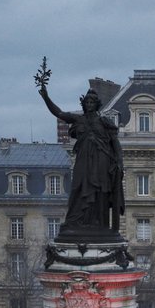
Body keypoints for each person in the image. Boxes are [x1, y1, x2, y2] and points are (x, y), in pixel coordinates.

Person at [37, 71, 124, 236]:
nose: (89, 104)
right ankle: (77, 221)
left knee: (100, 192)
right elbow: (60, 113)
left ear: (96, 104)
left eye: (92, 101)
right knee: (79, 187)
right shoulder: (79, 120)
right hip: (84, 160)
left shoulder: (104, 122)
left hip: (101, 160)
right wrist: (46, 98)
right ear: (84, 104)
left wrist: (120, 163)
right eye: (87, 101)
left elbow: (116, 144)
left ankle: (100, 223)